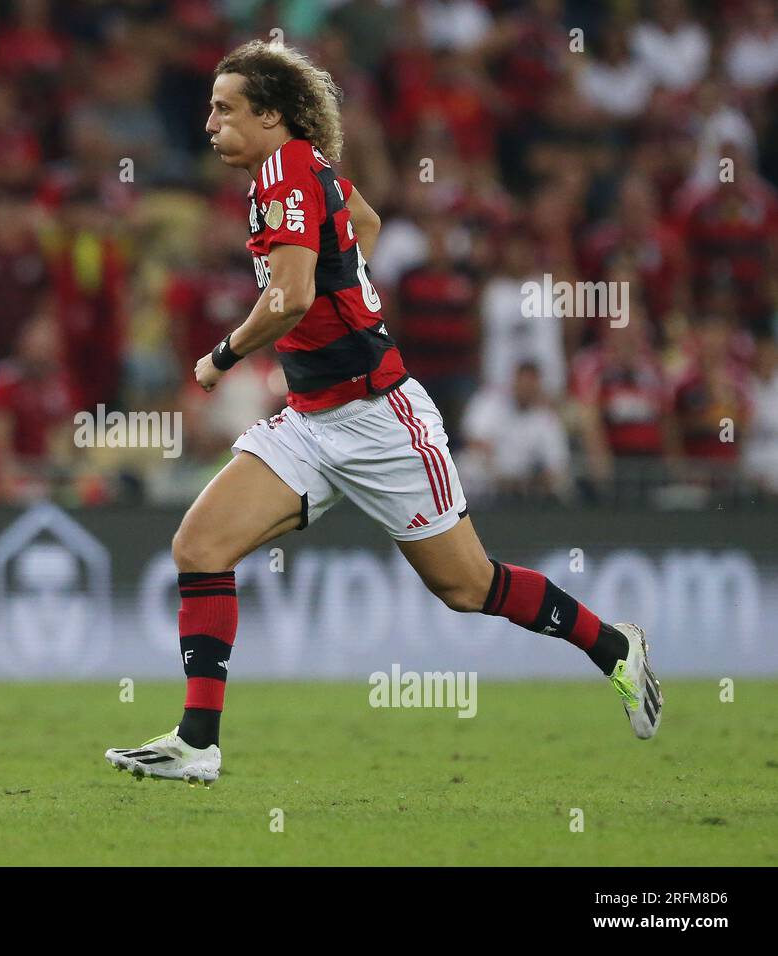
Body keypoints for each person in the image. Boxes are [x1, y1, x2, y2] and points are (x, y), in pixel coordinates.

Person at [106, 41, 662, 787]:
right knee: (200, 546)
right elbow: (360, 225)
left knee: (468, 587)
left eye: (225, 108)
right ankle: (197, 743)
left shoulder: (287, 171)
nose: (209, 124)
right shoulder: (299, 170)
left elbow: (293, 294)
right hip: (309, 418)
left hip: (380, 420)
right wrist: (348, 292)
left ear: (270, 115)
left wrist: (224, 357)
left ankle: (612, 647)